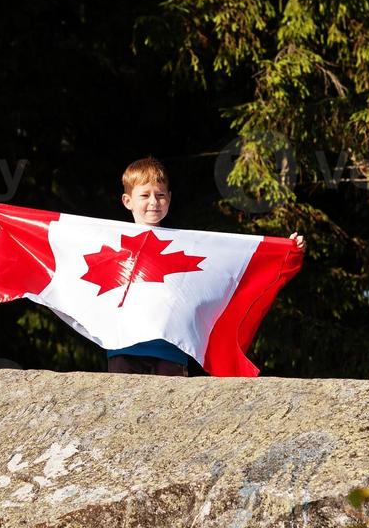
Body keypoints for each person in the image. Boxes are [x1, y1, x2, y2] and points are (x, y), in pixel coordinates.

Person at [104, 156, 305, 376]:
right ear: (127, 201)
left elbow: (228, 263)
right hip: (123, 347)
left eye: (160, 195)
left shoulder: (187, 246)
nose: (153, 201)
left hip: (171, 350)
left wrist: (288, 249)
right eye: (144, 195)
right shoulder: (109, 242)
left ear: (169, 199)